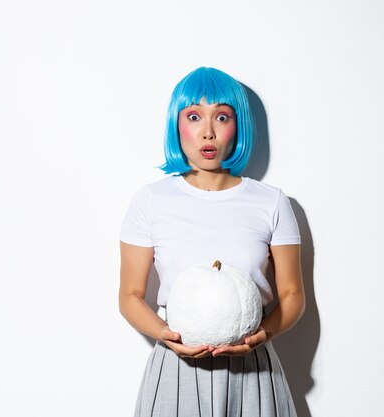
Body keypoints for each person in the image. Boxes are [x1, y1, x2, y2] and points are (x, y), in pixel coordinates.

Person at [119, 67, 305, 416]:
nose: (208, 132)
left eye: (222, 117)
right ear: (177, 125)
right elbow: (129, 295)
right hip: (177, 367)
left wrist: (261, 335)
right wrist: (167, 337)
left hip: (253, 367)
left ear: (239, 126)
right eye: (194, 116)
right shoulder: (150, 201)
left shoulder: (272, 202)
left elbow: (293, 295)